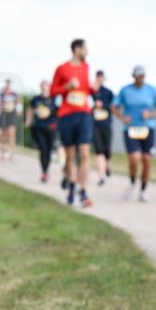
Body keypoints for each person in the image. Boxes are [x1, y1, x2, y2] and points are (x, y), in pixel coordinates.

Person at [50, 38, 95, 208]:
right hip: (67, 115)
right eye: (85, 48)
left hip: (84, 113)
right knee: (70, 155)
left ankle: (83, 191)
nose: (87, 51)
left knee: (84, 154)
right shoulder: (62, 69)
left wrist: (93, 88)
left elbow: (85, 90)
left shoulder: (86, 67)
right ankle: (72, 187)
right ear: (77, 49)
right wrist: (67, 86)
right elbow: (53, 91)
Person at [115, 65, 156, 203]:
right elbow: (115, 107)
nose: (141, 78)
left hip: (148, 129)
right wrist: (122, 117)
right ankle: (132, 181)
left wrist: (151, 114)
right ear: (134, 76)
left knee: (147, 159)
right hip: (131, 129)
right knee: (134, 158)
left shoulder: (151, 90)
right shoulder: (125, 90)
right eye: (138, 76)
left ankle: (143, 190)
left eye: (143, 75)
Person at [26, 80, 58, 183]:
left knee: (48, 150)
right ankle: (44, 172)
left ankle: (47, 170)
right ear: (41, 87)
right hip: (39, 127)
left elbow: (59, 111)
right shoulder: (36, 99)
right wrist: (28, 119)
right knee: (43, 149)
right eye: (43, 86)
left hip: (51, 128)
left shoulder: (54, 99)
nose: (45, 88)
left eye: (46, 86)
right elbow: (30, 109)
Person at [92, 70, 115, 185]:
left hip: (106, 124)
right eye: (98, 77)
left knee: (107, 149)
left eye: (102, 77)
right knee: (99, 150)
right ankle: (102, 175)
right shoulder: (91, 92)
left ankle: (107, 165)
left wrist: (103, 106)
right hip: (94, 125)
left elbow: (114, 107)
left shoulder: (108, 93)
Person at [0, 79, 20, 161]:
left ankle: (12, 153)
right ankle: (3, 152)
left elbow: (18, 104)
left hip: (12, 115)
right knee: (4, 135)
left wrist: (18, 110)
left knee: (11, 134)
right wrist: (1, 107)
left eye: (9, 85)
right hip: (4, 115)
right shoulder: (1, 95)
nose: (7, 87)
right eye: (6, 85)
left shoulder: (15, 94)